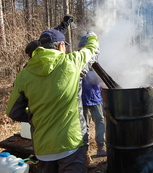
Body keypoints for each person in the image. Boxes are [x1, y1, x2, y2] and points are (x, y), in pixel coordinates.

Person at [6, 28, 99, 173]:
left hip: (43, 149)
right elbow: (92, 50)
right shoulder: (72, 62)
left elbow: (13, 111)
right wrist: (92, 37)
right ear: (61, 46)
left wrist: (34, 115)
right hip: (71, 143)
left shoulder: (24, 74)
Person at [78, 35, 106, 168]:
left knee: (100, 123)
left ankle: (101, 146)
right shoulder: (78, 60)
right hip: (83, 101)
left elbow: (99, 80)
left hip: (96, 99)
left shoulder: (96, 62)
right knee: (85, 128)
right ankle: (85, 153)